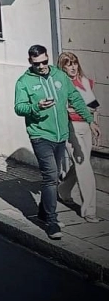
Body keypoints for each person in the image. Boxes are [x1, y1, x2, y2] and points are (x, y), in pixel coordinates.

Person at [14, 45, 96, 240]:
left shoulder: (59, 75)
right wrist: (36, 106)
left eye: (44, 62)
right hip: (40, 135)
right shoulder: (24, 82)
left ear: (47, 58)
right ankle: (51, 221)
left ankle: (43, 211)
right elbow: (19, 107)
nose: (41, 66)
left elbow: (75, 97)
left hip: (60, 136)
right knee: (50, 178)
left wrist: (90, 121)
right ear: (30, 62)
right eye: (37, 64)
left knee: (54, 176)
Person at [57, 52, 102, 223]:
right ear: (62, 67)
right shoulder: (61, 85)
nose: (73, 67)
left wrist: (96, 125)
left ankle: (63, 190)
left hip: (87, 127)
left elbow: (93, 107)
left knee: (80, 164)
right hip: (72, 128)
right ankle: (89, 210)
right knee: (84, 167)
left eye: (75, 63)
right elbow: (61, 109)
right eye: (68, 64)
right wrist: (75, 110)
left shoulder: (84, 82)